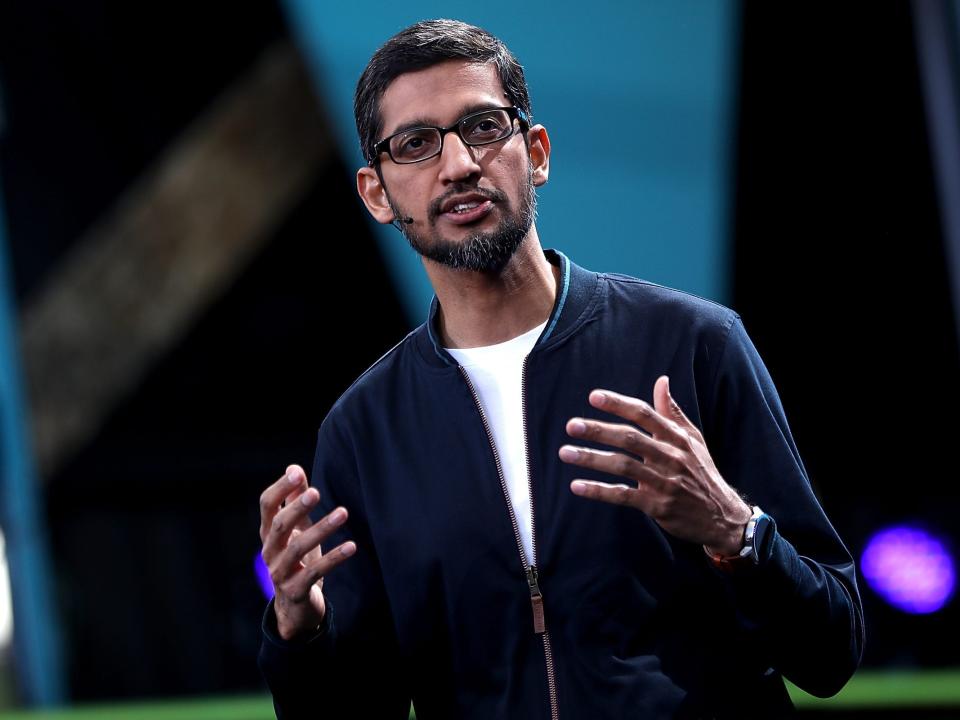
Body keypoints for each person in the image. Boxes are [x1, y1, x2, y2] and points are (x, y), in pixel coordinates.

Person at [257, 18, 864, 719]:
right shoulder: (364, 431)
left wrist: (738, 533)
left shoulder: (695, 344)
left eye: (483, 126)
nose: (458, 165)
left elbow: (831, 652)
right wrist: (300, 634)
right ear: (376, 193)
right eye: (417, 144)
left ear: (535, 152)